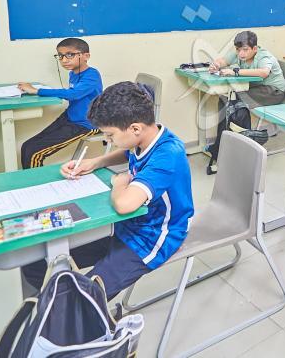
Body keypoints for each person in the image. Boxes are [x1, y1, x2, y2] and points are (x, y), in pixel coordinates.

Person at [21, 82, 194, 300]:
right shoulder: (146, 136)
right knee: (35, 263)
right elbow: (128, 153)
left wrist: (120, 182)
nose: (107, 140)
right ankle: (52, 305)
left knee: (83, 300)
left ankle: (69, 311)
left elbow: (123, 205)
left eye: (110, 135)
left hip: (152, 237)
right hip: (126, 226)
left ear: (135, 128)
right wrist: (95, 162)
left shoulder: (168, 155)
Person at [18, 37, 103, 169]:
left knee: (34, 152)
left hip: (86, 124)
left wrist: (36, 91)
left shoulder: (92, 75)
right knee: (27, 146)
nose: (64, 60)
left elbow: (73, 94)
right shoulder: (73, 73)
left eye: (70, 55)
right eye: (60, 56)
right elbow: (74, 96)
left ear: (86, 56)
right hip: (69, 117)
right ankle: (30, 180)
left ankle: (36, 181)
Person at [206, 31, 285, 169]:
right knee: (225, 99)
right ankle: (222, 146)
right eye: (238, 50)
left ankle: (242, 149)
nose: (241, 53)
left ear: (254, 48)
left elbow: (264, 72)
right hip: (256, 89)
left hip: (273, 92)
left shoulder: (263, 56)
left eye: (245, 50)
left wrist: (235, 71)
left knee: (237, 103)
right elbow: (223, 61)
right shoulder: (239, 53)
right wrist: (216, 65)